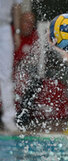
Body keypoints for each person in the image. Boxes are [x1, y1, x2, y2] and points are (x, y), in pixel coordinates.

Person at [0, 0, 22, 132]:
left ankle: (9, 119)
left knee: (6, 75)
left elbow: (17, 6)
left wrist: (17, 31)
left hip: (4, 28)